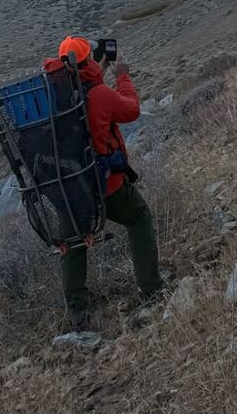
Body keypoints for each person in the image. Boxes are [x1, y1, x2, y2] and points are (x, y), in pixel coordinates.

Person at [48, 35, 162, 328]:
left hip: (69, 190)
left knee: (73, 241)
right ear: (89, 62)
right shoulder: (99, 94)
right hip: (104, 187)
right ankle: (151, 289)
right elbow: (131, 109)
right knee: (138, 217)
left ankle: (77, 312)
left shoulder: (51, 98)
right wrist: (121, 75)